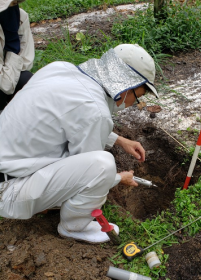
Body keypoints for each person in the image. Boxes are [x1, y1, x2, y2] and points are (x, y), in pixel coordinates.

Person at [0, 43, 159, 244]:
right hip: (8, 190)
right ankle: (74, 227)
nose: (134, 103)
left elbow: (71, 120)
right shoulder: (95, 111)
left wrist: (119, 140)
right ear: (127, 86)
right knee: (104, 165)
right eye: (138, 96)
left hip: (7, 163)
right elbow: (89, 174)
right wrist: (119, 177)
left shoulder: (60, 68)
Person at [0, 0, 35, 110]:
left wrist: (12, 46)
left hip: (9, 74)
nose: (13, 10)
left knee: (27, 81)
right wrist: (13, 46)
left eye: (15, 4)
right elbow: (5, 85)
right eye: (10, 5)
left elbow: (26, 62)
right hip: (4, 80)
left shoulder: (21, 16)